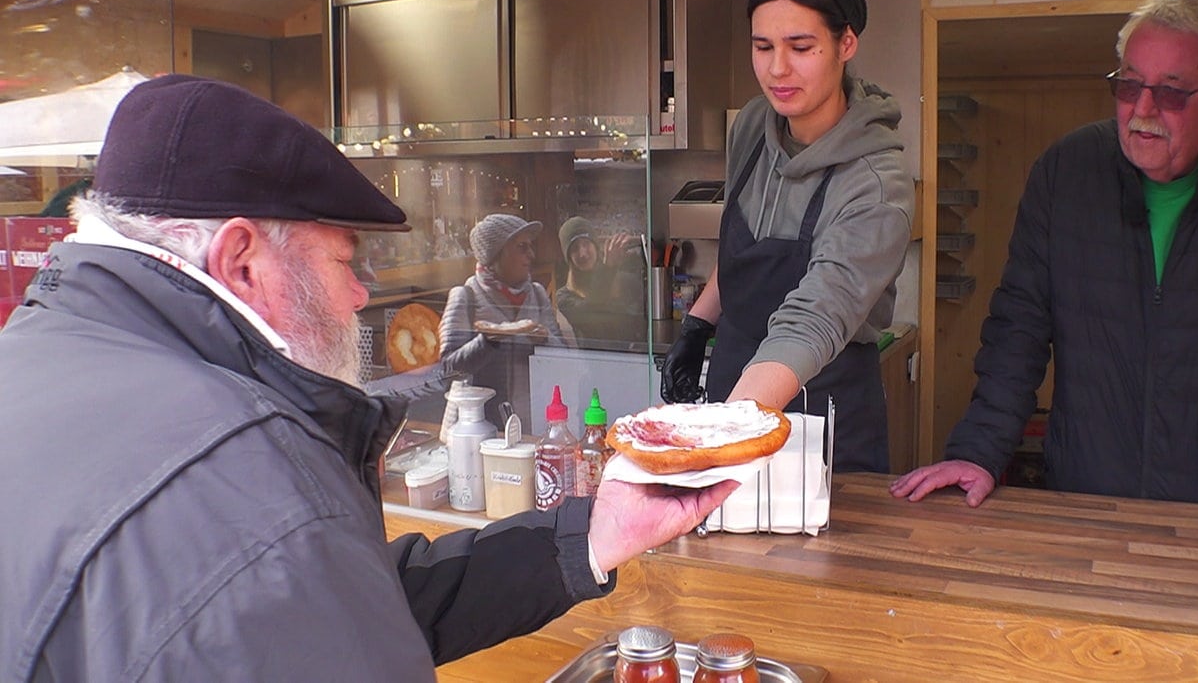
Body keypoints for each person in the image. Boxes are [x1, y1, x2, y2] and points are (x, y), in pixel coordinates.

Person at [0, 75, 735, 680]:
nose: (359, 294)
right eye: (344, 261)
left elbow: (331, 612)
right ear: (240, 260)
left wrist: (592, 535)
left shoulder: (37, 355)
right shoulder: (242, 479)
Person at [891, 0, 1198, 534]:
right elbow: (1018, 329)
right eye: (1128, 86)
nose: (1143, 111)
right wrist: (978, 451)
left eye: (1172, 93)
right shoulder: (1066, 173)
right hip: (1087, 501)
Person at [659, 0, 915, 473]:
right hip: (735, 380)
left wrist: (720, 441)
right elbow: (742, 247)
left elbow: (813, 319)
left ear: (846, 43)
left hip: (824, 407)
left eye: (801, 47)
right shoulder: (754, 125)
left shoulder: (875, 184)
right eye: (762, 46)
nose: (777, 69)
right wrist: (697, 327)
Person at [439, 212, 563, 427]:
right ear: (496, 255)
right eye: (521, 247)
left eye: (530, 246)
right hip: (474, 428)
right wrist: (487, 341)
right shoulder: (466, 297)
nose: (531, 255)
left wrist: (544, 339)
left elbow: (564, 355)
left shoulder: (537, 294)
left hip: (527, 423)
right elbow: (448, 370)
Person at [554, 215, 647, 343]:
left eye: (586, 244)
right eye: (575, 248)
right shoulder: (564, 298)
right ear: (568, 257)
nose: (582, 253)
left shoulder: (625, 281)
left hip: (631, 358)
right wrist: (608, 268)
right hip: (596, 360)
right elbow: (593, 311)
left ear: (596, 246)